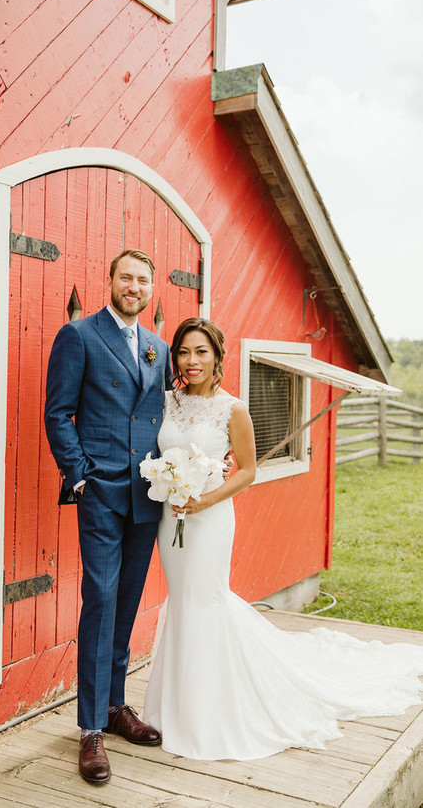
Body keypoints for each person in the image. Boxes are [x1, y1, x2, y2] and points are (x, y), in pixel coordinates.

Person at [143, 317, 423, 761]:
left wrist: (206, 498)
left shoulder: (232, 408)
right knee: (181, 601)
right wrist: (169, 484)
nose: (191, 361)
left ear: (218, 355)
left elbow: (249, 471)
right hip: (170, 515)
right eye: (183, 352)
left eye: (201, 352)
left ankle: (207, 714)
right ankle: (171, 707)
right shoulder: (167, 402)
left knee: (205, 601)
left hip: (209, 518)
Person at [44, 248, 173, 784]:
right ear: (110, 280)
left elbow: (166, 412)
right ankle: (91, 729)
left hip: (146, 494)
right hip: (100, 491)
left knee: (126, 603)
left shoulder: (158, 347)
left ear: (150, 288)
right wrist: (79, 476)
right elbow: (58, 412)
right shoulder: (79, 335)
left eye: (143, 280)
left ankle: (118, 707)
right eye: (126, 277)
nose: (134, 287)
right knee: (99, 600)